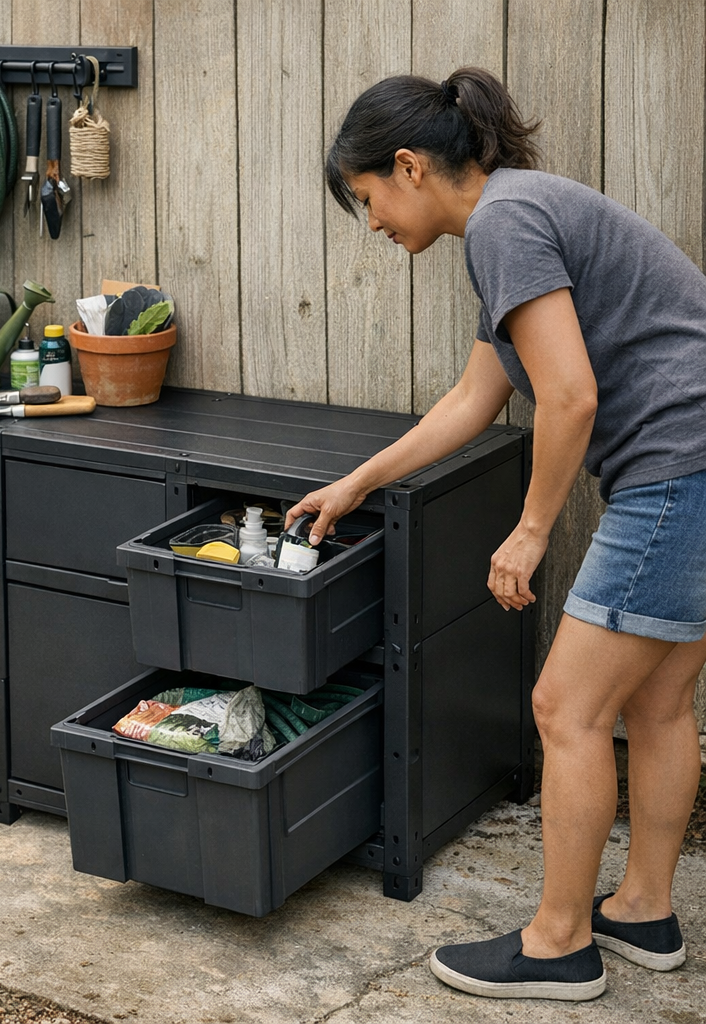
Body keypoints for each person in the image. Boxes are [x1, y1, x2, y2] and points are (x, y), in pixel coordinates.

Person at [286, 67, 706, 1001]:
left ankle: (558, 946)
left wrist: (529, 532)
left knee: (565, 708)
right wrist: (360, 480)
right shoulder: (516, 219)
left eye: (368, 200)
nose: (376, 225)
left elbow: (569, 396)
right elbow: (478, 399)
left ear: (408, 166)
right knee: (659, 704)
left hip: (681, 469)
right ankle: (642, 910)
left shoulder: (508, 224)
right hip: (698, 464)